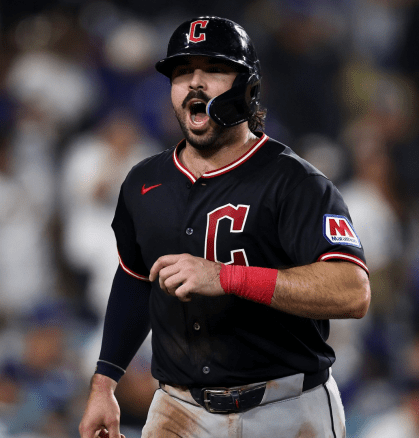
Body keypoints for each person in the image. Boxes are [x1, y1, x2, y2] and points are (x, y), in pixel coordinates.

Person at [79, 16, 371, 438]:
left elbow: (352, 291)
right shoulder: (144, 182)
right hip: (180, 409)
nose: (195, 83)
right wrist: (105, 383)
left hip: (287, 407)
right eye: (182, 72)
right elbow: (134, 279)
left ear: (248, 88)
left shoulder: (295, 182)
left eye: (214, 69)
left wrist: (227, 277)